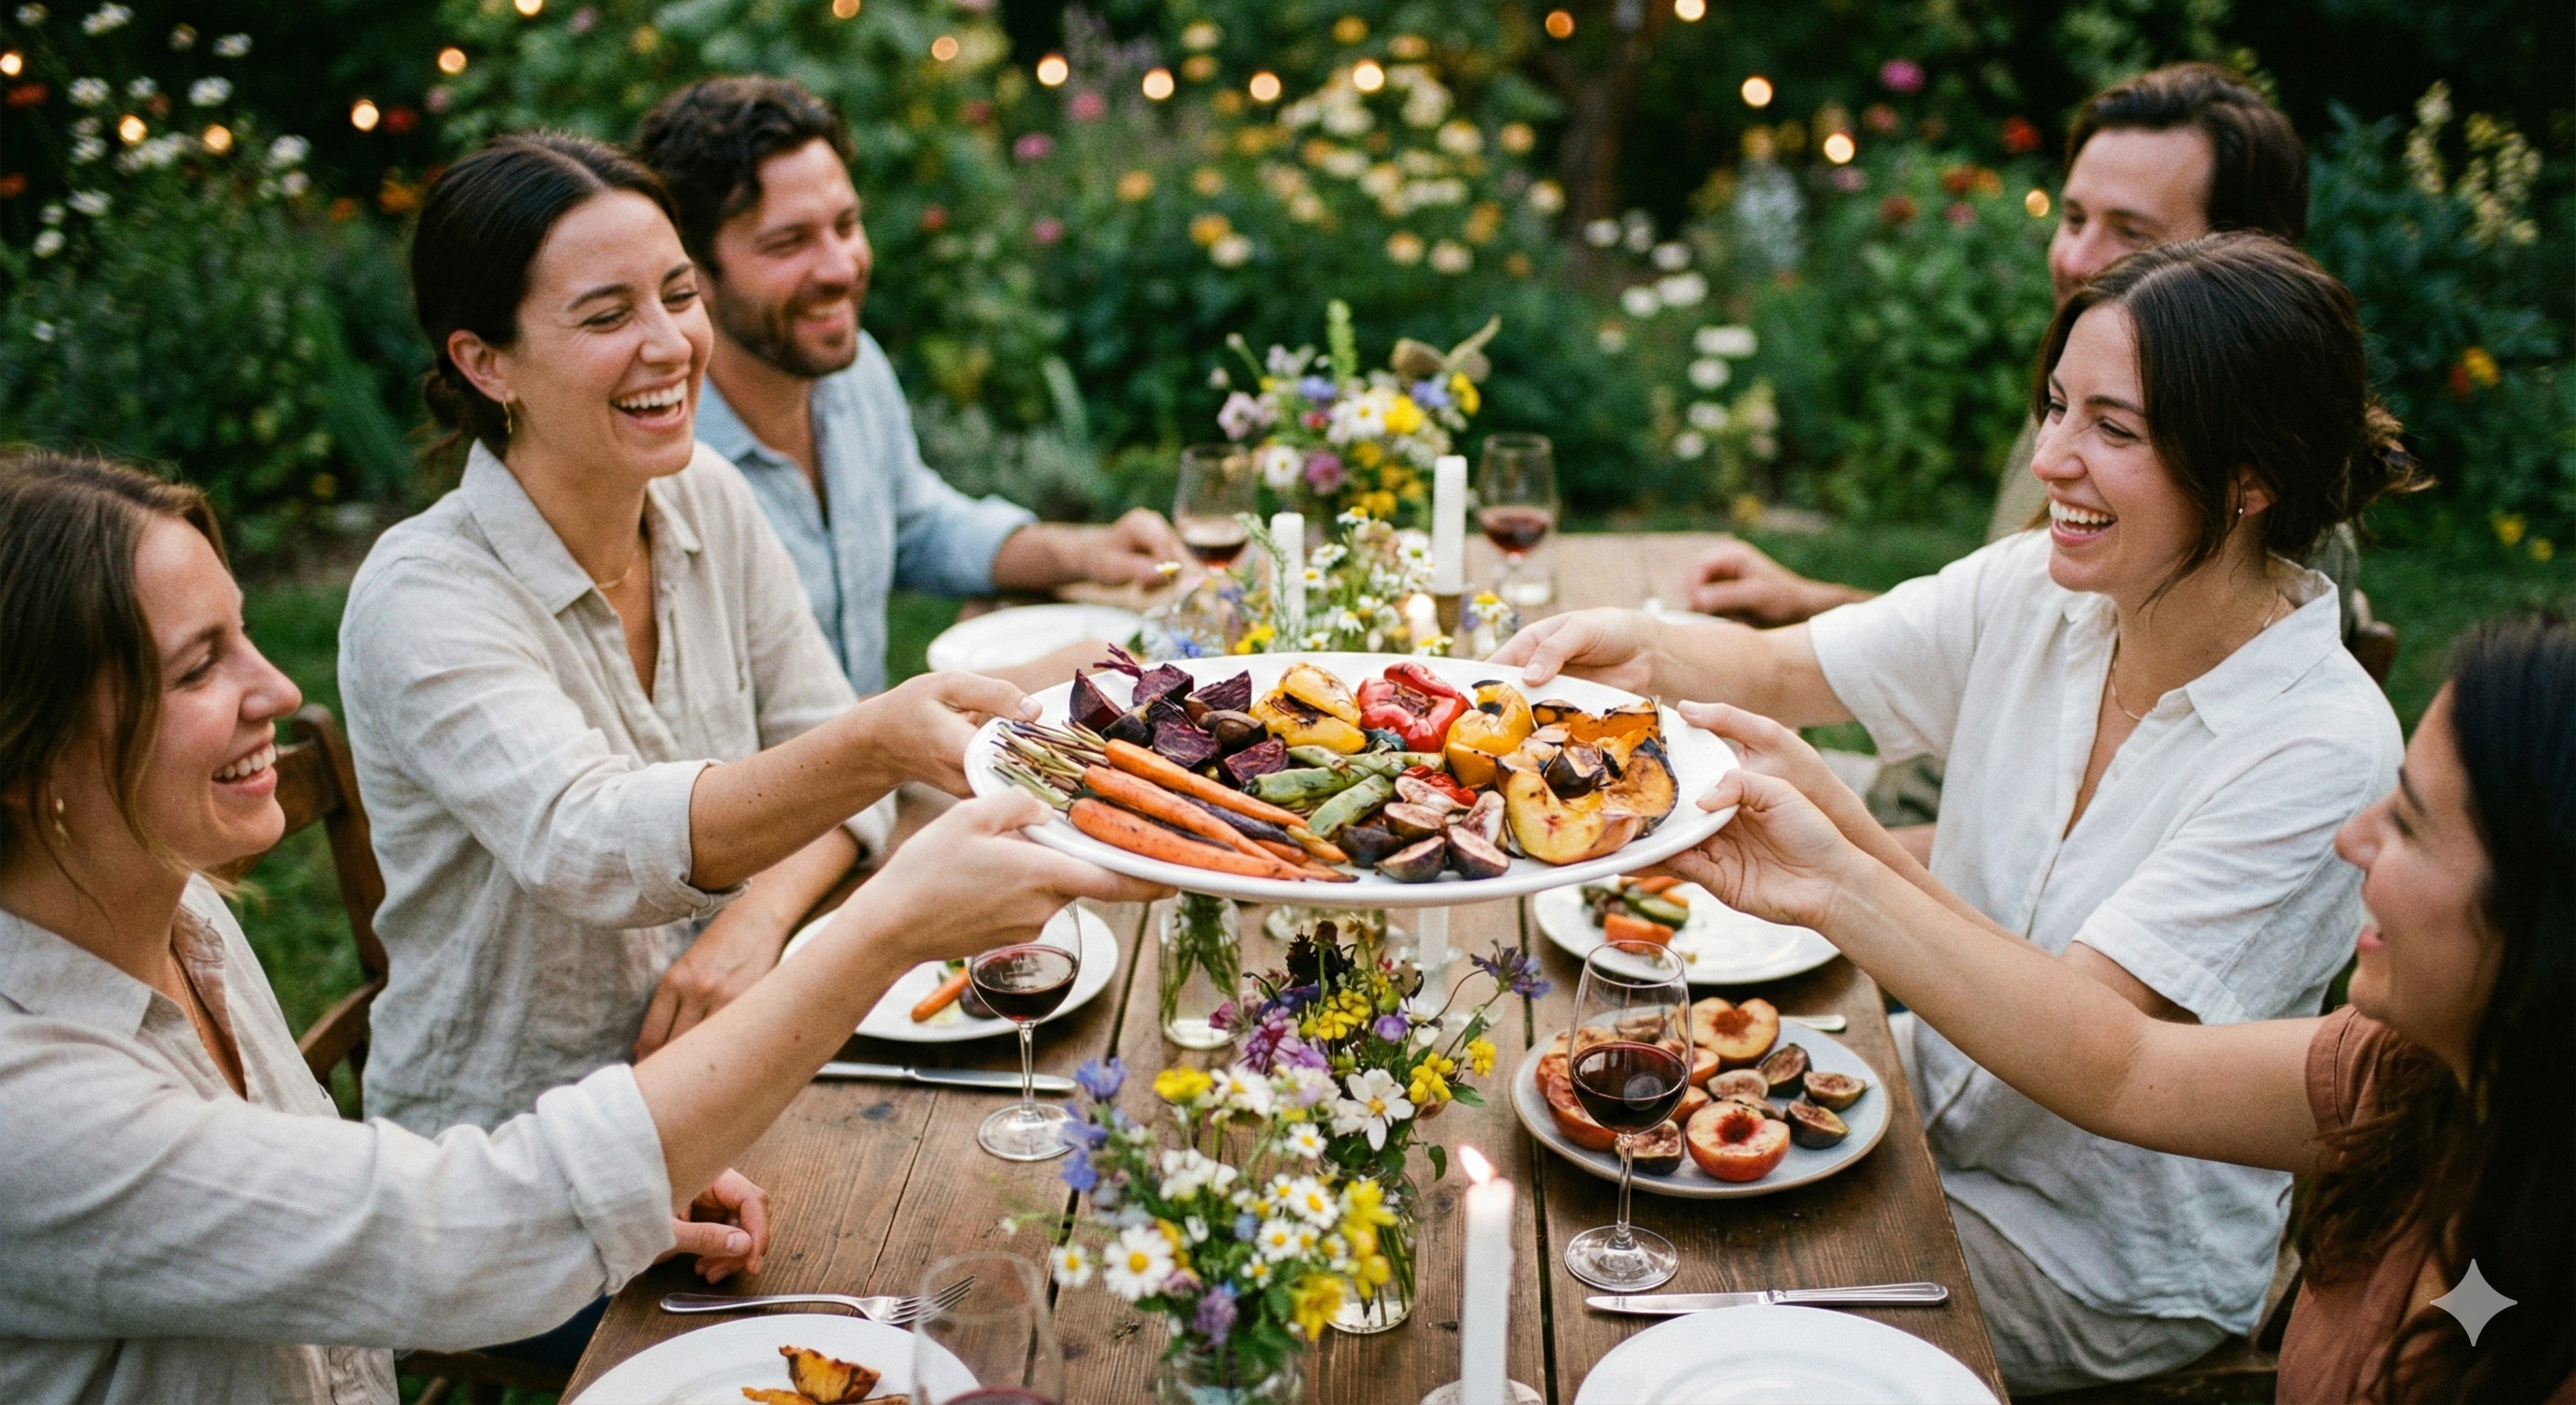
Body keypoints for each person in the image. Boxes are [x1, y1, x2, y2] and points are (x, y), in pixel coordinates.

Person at [0, 449, 1164, 1403]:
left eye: (243, 635)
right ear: (30, 748)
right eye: (198, 668)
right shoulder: (31, 1105)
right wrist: (881, 935)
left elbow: (330, 1220)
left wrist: (616, 1207)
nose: (272, 687)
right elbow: (451, 1240)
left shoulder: (174, 910)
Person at [1497, 233, 2418, 1390]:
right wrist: (1626, 650)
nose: (2049, 458)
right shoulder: (2044, 584)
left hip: (2092, 1258)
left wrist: (1843, 863)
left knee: (1627, 1299)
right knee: (1552, 1176)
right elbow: (1780, 668)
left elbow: (2091, 1051)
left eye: (2110, 429)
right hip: (1923, 1120)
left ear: (2250, 476)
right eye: (2053, 407)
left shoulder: (2318, 743)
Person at [1655, 618, 2573, 1403]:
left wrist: (1839, 876)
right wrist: (1831, 867)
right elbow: (2122, 1066)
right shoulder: (2401, 1074)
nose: (2352, 839)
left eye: (2407, 824)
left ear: (2541, 911)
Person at [338, 134, 1031, 1141]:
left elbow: (832, 767)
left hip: (738, 1078)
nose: (670, 343)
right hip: (507, 1165)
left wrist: (753, 925)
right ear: (485, 363)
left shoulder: (701, 490)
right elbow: (592, 843)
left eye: (677, 294)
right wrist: (873, 744)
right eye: (608, 314)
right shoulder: (424, 594)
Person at [1686, 62, 2344, 630]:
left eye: (2131, 233)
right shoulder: (2079, 399)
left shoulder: (2260, 503)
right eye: (2075, 218)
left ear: (2244, 263)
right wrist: (1808, 602)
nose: (2077, 261)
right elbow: (2005, 633)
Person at [630, 75, 1187, 697]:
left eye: (845, 225)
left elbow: (916, 525)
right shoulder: (660, 466)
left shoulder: (854, 372)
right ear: (691, 269)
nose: (840, 267)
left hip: (887, 784)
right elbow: (719, 749)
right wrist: (1014, 687)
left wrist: (1083, 554)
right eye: (787, 243)